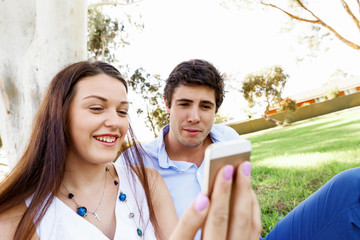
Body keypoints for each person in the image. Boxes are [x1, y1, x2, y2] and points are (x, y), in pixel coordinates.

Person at [0, 60, 261, 240]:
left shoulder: (147, 181)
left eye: (122, 111)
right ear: (59, 115)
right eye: (96, 108)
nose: (115, 121)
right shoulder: (18, 215)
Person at [141, 59, 360, 240]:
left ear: (216, 110)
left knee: (351, 185)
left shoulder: (227, 139)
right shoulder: (138, 163)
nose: (194, 117)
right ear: (167, 103)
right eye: (184, 104)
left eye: (205, 106)